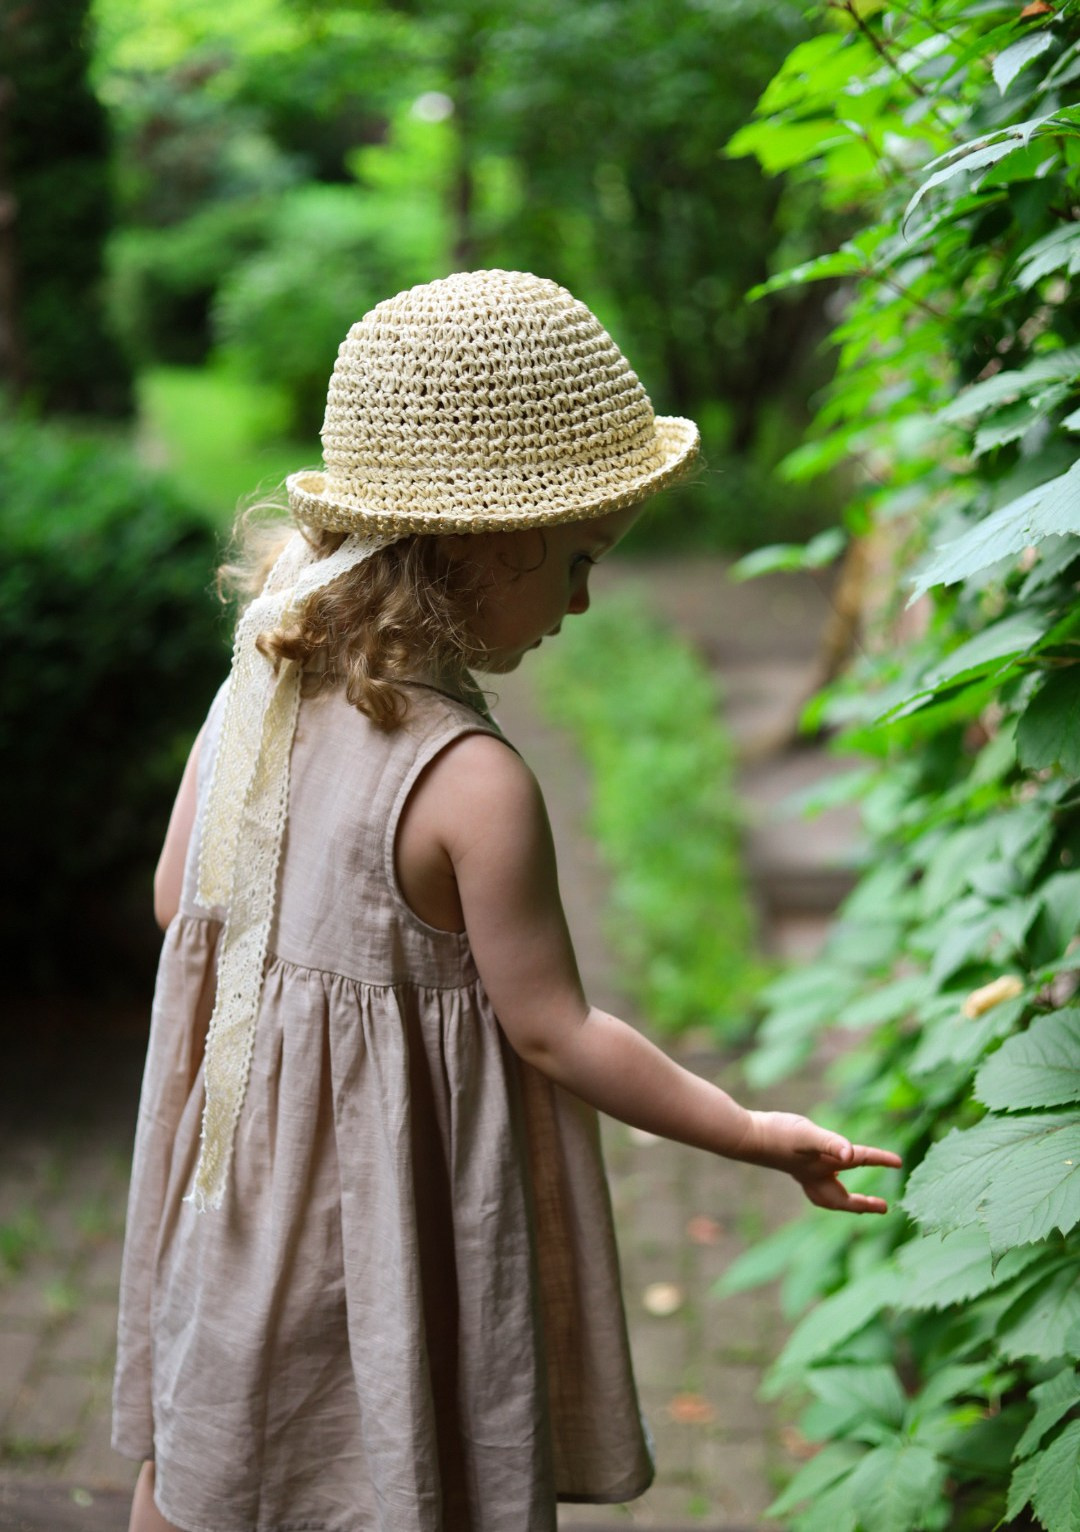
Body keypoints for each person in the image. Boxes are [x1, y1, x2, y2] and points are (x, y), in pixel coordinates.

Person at [112, 269, 901, 1532]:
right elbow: (556, 1030)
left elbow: (178, 905)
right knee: (383, 1464)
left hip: (240, 1191)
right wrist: (754, 1130)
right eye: (580, 561)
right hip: (389, 1208)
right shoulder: (473, 780)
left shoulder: (255, 682)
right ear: (493, 545)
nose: (585, 601)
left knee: (214, 1449)